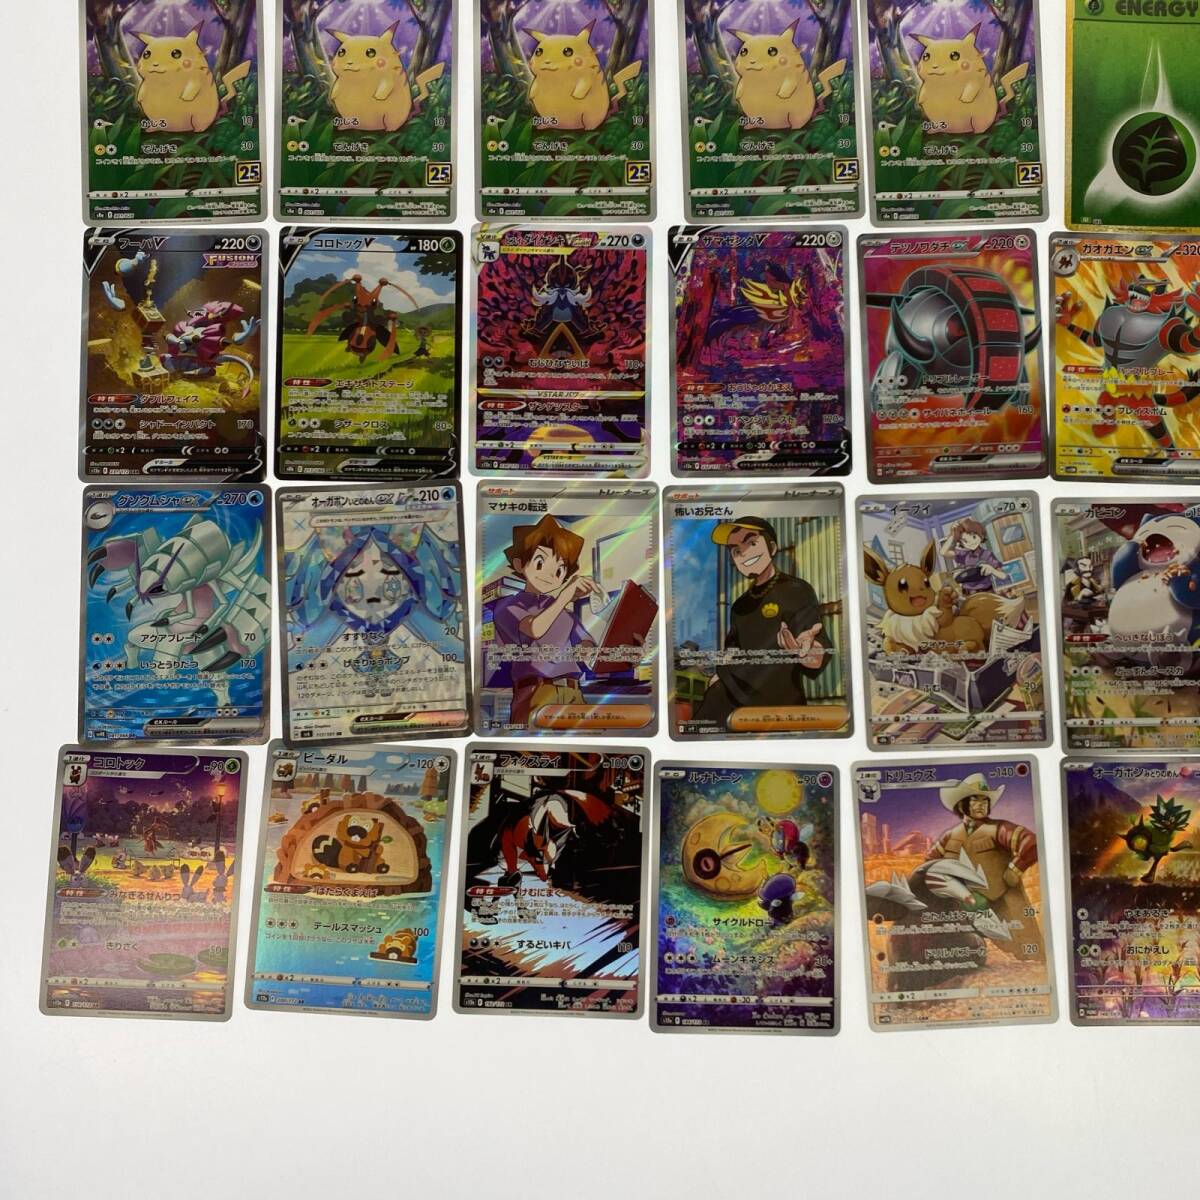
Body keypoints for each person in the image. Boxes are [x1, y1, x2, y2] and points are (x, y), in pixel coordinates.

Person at [694, 516, 828, 727]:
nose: (744, 553)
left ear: (772, 547)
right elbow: (733, 650)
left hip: (778, 700)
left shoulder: (796, 590)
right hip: (732, 693)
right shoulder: (740, 605)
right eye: (736, 550)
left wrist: (804, 650)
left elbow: (817, 652)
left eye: (751, 543)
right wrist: (719, 676)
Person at [491, 515, 605, 725]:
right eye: (540, 562)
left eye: (559, 570)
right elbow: (534, 629)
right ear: (519, 564)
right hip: (536, 693)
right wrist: (564, 597)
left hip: (573, 692)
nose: (550, 575)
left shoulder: (566, 614)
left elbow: (587, 649)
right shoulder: (507, 605)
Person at [926, 773, 1044, 960]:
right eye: (975, 800)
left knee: (1030, 954)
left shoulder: (999, 829)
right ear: (962, 805)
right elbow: (929, 863)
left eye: (985, 800)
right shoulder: (950, 836)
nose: (981, 805)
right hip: (968, 906)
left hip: (1005, 902)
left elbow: (1030, 842)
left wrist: (1015, 869)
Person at [940, 518, 1007, 594]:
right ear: (961, 543)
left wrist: (992, 570)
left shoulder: (987, 554)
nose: (971, 542)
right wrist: (953, 535)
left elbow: (1003, 576)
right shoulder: (963, 554)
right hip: (968, 593)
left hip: (987, 591)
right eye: (965, 541)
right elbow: (943, 552)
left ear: (981, 535)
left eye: (974, 537)